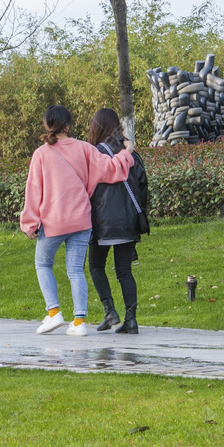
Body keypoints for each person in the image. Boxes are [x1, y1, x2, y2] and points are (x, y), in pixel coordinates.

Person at [20, 105, 136, 336]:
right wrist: (127, 152)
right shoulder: (85, 148)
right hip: (82, 221)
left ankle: (54, 314)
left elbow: (34, 190)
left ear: (47, 125)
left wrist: (29, 223)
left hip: (54, 222)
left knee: (43, 264)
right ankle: (79, 322)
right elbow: (112, 169)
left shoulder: (41, 154)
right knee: (76, 271)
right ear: (68, 125)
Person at [86, 109, 149, 334]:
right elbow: (142, 184)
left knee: (95, 266)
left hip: (100, 222)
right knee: (124, 271)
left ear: (96, 127)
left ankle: (109, 311)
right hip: (128, 220)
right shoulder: (130, 152)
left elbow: (86, 188)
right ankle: (131, 320)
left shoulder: (93, 154)